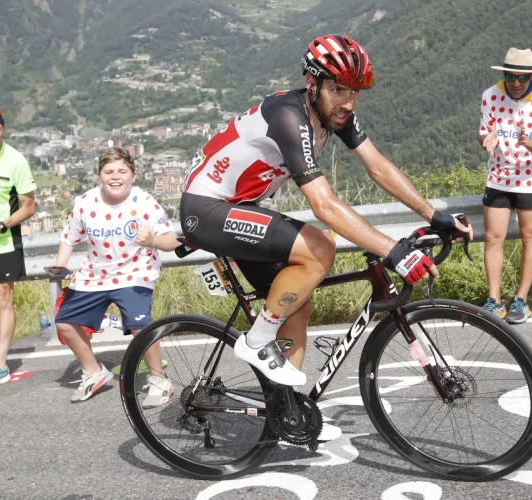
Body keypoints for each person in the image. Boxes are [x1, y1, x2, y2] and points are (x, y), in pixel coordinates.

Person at [180, 34, 472, 438]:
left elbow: (378, 167)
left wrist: (433, 214)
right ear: (312, 83)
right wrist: (394, 251)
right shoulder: (289, 116)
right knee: (320, 247)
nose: (347, 103)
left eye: (354, 92)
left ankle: (289, 412)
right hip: (207, 209)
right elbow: (325, 206)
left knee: (296, 300)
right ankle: (257, 339)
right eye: (338, 90)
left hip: (242, 208)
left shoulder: (334, 114)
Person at [49, 147, 180, 404]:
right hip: (95, 273)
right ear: (99, 175)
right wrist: (61, 264)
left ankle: (159, 379)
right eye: (109, 172)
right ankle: (94, 372)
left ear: (133, 174)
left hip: (135, 271)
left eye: (122, 171)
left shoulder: (144, 201)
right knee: (65, 322)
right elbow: (69, 237)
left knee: (139, 326)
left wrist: (152, 240)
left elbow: (172, 240)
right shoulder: (85, 202)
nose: (115, 177)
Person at [478, 48, 532, 324]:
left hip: (530, 179)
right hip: (499, 176)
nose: (515, 82)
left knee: (528, 238)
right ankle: (494, 300)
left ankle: (521, 300)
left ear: (531, 76)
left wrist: (527, 142)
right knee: (492, 239)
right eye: (509, 76)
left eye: (521, 77)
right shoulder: (491, 95)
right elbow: (484, 132)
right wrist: (486, 139)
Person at [0, 105, 37, 390]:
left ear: (3, 130)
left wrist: (0, 225)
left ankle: (1, 363)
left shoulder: (15, 160)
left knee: (2, 298)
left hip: (4, 240)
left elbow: (28, 206)